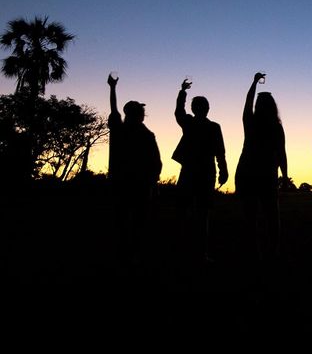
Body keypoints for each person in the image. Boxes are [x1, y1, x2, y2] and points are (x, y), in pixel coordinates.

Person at [107, 73, 161, 263]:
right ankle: (133, 254)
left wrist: (112, 88)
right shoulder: (146, 135)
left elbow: (113, 109)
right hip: (139, 184)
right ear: (139, 115)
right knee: (138, 220)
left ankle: (123, 254)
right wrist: (153, 181)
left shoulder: (118, 129)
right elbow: (156, 162)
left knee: (121, 219)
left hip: (120, 182)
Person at [172, 79, 228, 262]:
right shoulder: (213, 127)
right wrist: (223, 170)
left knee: (185, 212)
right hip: (205, 172)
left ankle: (185, 251)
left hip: (191, 171)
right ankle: (199, 253)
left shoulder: (190, 123)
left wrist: (182, 92)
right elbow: (220, 151)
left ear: (194, 109)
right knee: (201, 214)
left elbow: (179, 111)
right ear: (207, 109)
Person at [235, 72, 287, 262]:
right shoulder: (276, 127)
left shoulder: (250, 121)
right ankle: (272, 253)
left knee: (250, 217)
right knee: (272, 216)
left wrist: (254, 82)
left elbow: (247, 102)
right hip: (266, 174)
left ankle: (253, 253)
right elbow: (282, 153)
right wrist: (285, 176)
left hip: (247, 173)